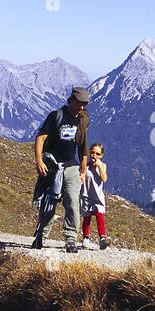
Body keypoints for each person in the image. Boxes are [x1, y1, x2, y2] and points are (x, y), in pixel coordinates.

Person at [32, 87, 89, 252]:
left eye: (84, 104)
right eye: (79, 103)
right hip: (53, 166)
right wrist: (39, 161)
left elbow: (83, 148)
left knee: (72, 200)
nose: (81, 107)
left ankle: (71, 239)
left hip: (72, 166)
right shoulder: (56, 116)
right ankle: (41, 236)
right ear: (71, 100)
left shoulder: (82, 120)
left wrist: (83, 171)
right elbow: (40, 138)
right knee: (49, 203)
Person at [80, 143, 109, 249]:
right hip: (86, 194)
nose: (94, 155)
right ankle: (85, 237)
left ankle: (102, 237)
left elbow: (104, 178)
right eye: (92, 152)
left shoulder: (103, 165)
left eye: (97, 154)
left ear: (101, 155)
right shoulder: (85, 166)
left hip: (97, 195)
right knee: (86, 217)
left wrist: (100, 166)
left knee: (99, 214)